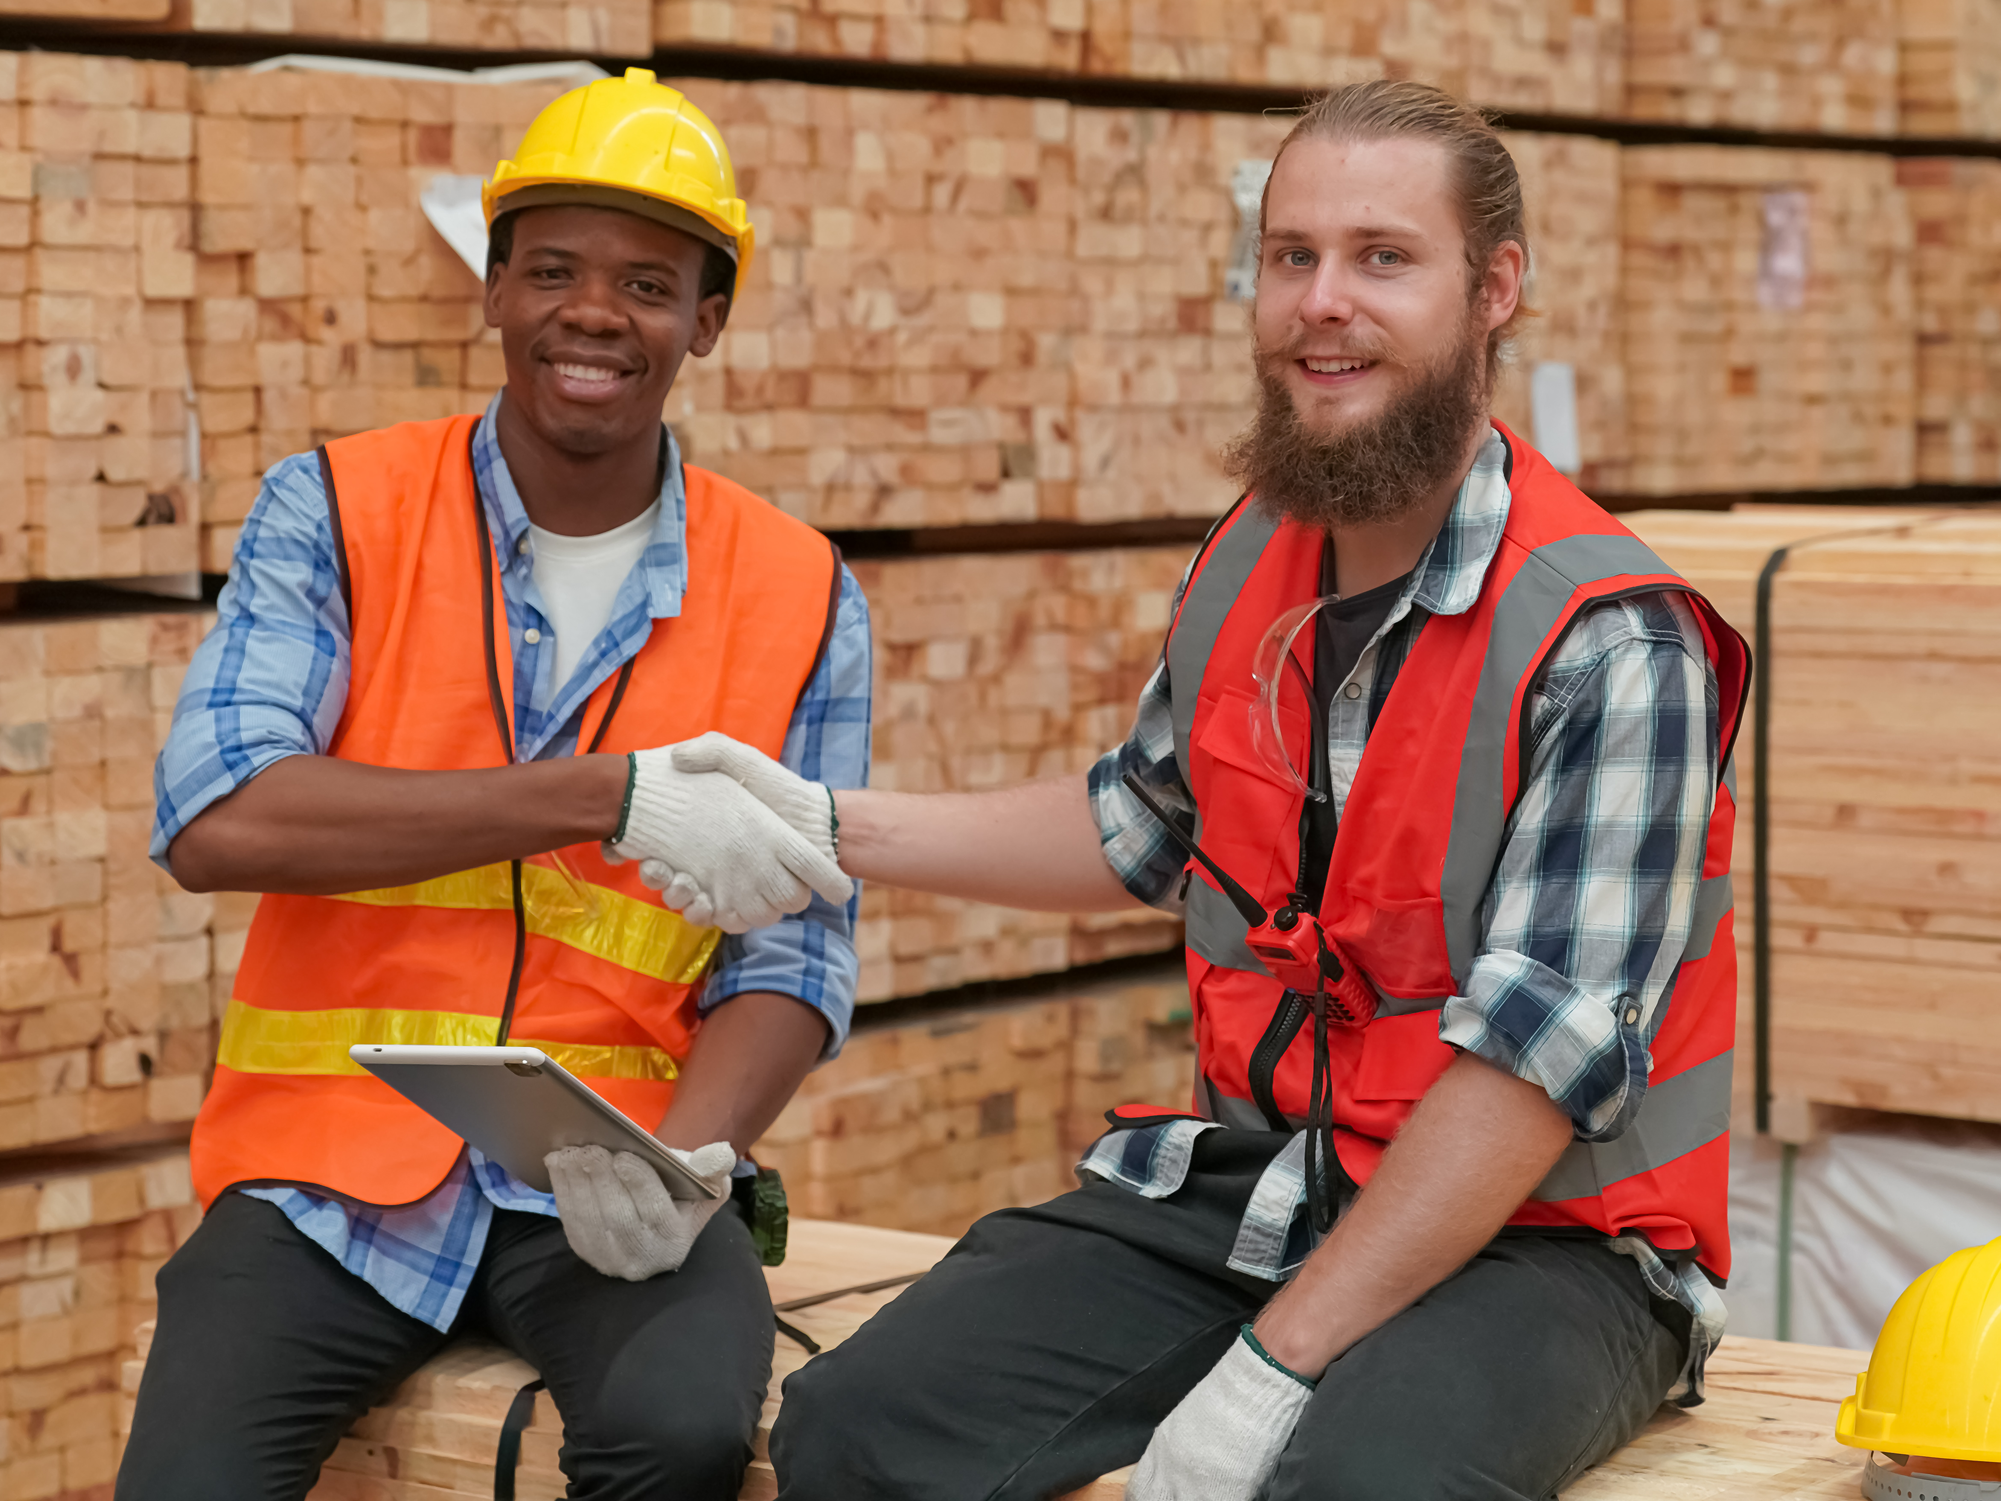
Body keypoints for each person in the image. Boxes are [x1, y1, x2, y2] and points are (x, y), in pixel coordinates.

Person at [683, 79, 1751, 1500]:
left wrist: (1274, 1364)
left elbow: (1528, 1076)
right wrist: (827, 827)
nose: (1324, 302)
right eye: (1291, 255)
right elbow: (1137, 825)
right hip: (1278, 1178)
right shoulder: (1253, 556)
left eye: (1384, 258)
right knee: (859, 1424)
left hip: (1553, 1243)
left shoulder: (1612, 640)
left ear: (1495, 289)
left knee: (1346, 1487)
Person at [117, 69, 870, 1501]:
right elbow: (218, 817)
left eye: (650, 282)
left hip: (613, 1175)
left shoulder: (799, 591)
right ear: (495, 290)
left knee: (685, 1433)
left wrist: (688, 1159)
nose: (594, 312)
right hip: (325, 1177)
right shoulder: (337, 507)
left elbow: (798, 946)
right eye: (553, 270)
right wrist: (602, 794)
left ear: (706, 322)